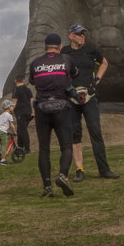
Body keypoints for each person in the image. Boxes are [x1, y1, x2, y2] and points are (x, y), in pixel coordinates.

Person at [61, 23, 119, 180]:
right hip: (72, 99)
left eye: (83, 34)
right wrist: (68, 88)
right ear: (71, 35)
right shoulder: (64, 52)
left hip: (90, 97)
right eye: (79, 34)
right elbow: (60, 71)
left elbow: (105, 63)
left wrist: (96, 82)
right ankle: (79, 170)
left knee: (96, 132)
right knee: (75, 134)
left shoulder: (91, 49)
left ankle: (104, 169)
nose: (82, 36)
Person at [29, 33, 78, 198]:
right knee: (66, 146)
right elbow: (74, 74)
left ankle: (47, 186)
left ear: (45, 47)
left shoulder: (36, 63)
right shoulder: (66, 59)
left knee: (44, 149)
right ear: (60, 47)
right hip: (61, 106)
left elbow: (33, 81)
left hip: (42, 108)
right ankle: (63, 175)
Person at [10, 75, 33, 155]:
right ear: (23, 80)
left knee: (23, 131)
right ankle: (20, 147)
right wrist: (33, 112)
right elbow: (31, 101)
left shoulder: (16, 90)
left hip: (21, 113)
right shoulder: (28, 89)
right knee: (20, 130)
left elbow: (14, 102)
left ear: (15, 81)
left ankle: (27, 149)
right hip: (29, 113)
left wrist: (10, 110)